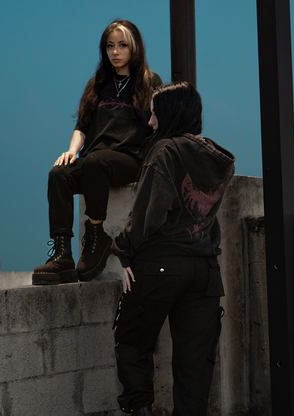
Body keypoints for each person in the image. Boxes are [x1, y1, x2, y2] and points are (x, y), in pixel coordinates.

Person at [111, 82, 236, 415]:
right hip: (205, 271)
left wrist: (122, 250)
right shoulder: (218, 160)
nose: (151, 122)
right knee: (196, 362)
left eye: (155, 114)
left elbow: (147, 214)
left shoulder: (165, 150)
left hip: (161, 264)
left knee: (132, 341)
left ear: (170, 114)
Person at [32, 20, 162, 285]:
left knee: (96, 161)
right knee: (58, 174)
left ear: (134, 48)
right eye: (110, 46)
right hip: (95, 161)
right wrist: (71, 150)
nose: (115, 52)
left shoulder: (150, 81)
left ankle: (96, 235)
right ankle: (62, 254)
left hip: (130, 159)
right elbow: (82, 126)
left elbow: (159, 121)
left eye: (122, 45)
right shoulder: (97, 84)